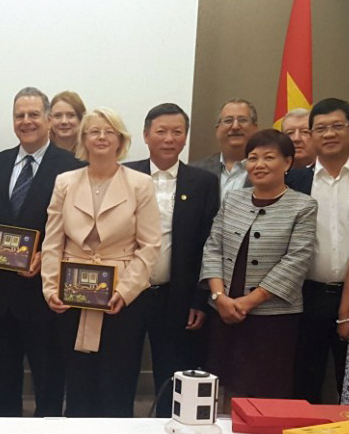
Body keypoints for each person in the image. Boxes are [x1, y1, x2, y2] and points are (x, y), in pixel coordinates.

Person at [41, 107, 161, 417]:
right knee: (78, 380)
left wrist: (125, 291)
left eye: (110, 132)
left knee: (117, 381)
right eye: (95, 131)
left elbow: (150, 246)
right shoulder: (65, 182)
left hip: (122, 297)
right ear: (83, 139)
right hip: (72, 294)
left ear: (121, 140)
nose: (102, 137)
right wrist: (51, 288)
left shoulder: (140, 184)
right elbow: (53, 241)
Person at [0, 87, 82, 417]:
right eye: (19, 115)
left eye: (34, 114)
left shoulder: (73, 168)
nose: (26, 121)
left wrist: (47, 258)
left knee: (49, 383)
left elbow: (78, 230)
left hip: (44, 297)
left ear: (49, 120)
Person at [202, 129, 316, 403]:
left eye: (269, 157)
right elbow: (213, 246)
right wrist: (219, 297)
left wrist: (249, 302)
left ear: (287, 163)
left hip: (273, 317)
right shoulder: (234, 199)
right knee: (219, 388)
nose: (259, 164)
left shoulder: (303, 206)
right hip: (223, 310)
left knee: (265, 392)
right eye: (253, 158)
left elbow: (296, 261)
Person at [124, 103, 219, 417]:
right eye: (161, 131)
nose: (169, 138)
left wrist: (199, 299)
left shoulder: (203, 182)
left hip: (176, 296)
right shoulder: (123, 174)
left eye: (177, 132)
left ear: (185, 137)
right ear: (146, 135)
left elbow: (209, 244)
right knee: (122, 372)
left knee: (172, 374)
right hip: (127, 294)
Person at [288, 98, 349, 404]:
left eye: (337, 126)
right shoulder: (294, 181)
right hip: (306, 296)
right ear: (310, 135)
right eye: (321, 128)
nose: (329, 134)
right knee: (303, 384)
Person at [192, 98, 258, 199]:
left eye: (242, 120)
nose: (235, 126)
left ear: (255, 128)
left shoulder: (270, 172)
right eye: (228, 121)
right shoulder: (195, 171)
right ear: (217, 129)